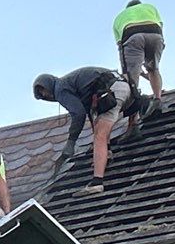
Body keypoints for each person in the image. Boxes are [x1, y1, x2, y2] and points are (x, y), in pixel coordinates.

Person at [32, 67, 128, 195]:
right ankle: (109, 150)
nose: (44, 95)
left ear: (48, 84)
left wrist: (71, 141)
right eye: (40, 94)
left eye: (42, 90)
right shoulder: (73, 85)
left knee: (99, 136)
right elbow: (91, 114)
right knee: (100, 126)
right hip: (125, 88)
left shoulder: (60, 88)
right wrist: (105, 149)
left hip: (112, 91)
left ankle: (97, 182)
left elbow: (78, 114)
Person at [113, 0, 166, 104]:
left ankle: (132, 102)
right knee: (153, 69)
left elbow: (120, 45)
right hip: (155, 33)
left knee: (131, 76)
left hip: (132, 34)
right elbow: (161, 25)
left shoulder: (119, 17)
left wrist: (128, 69)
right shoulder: (150, 7)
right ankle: (157, 98)